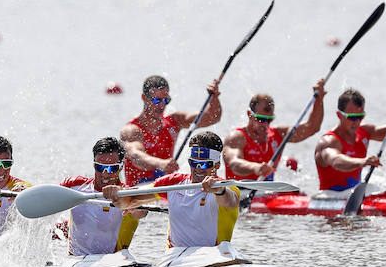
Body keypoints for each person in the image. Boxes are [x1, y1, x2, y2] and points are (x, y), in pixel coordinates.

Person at [104, 131, 250, 248]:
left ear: (217, 165)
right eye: (194, 163)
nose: (197, 169)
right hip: (176, 258)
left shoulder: (227, 187)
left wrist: (219, 190)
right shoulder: (173, 183)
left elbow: (231, 201)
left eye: (204, 165)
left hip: (213, 257)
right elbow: (130, 201)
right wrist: (116, 194)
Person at [120, 74, 221, 187]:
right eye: (157, 100)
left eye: (166, 100)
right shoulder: (132, 129)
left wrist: (214, 97)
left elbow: (212, 117)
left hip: (164, 188)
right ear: (144, 98)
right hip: (137, 191)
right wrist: (161, 163)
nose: (161, 106)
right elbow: (135, 155)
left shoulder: (174, 121)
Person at [314, 86, 386, 198]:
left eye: (360, 116)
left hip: (353, 194)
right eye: (352, 117)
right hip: (330, 196)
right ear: (339, 115)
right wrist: (362, 161)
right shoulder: (329, 141)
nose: (357, 122)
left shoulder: (365, 132)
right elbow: (337, 161)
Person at [223, 79, 326, 181]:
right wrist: (256, 168)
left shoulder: (278, 134)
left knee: (292, 163)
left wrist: (319, 100)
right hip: (238, 192)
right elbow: (234, 163)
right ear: (250, 115)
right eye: (261, 119)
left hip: (265, 192)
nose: (265, 124)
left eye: (269, 120)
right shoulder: (237, 137)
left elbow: (312, 127)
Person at [59, 137, 145, 256]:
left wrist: (122, 199)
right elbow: (46, 200)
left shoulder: (129, 194)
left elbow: (142, 212)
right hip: (76, 262)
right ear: (94, 165)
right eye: (100, 167)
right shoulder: (74, 186)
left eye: (111, 168)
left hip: (114, 264)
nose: (105, 173)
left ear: (121, 167)